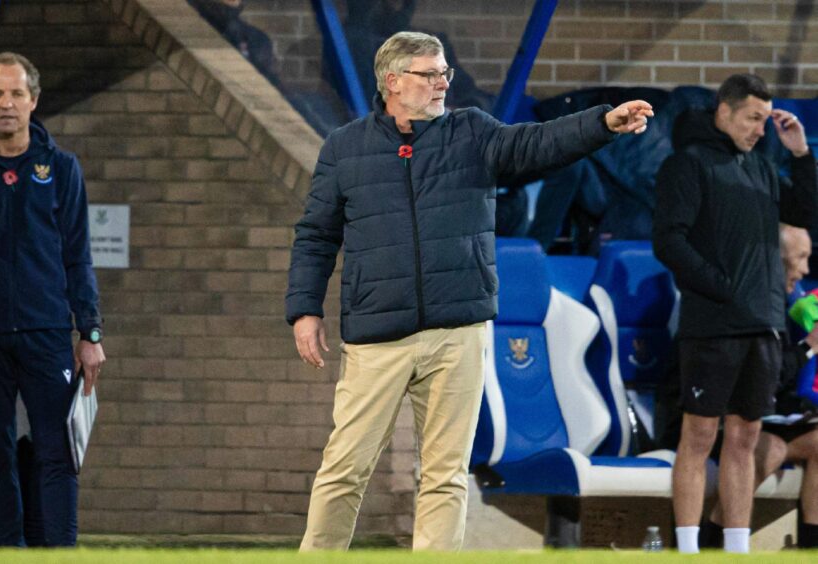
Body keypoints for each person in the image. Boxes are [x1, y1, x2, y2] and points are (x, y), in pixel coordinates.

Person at [286, 31, 653, 551]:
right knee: (345, 468)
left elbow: (537, 143)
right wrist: (304, 309)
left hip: (458, 331)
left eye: (444, 73)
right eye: (429, 74)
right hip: (378, 336)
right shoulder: (345, 148)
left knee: (444, 475)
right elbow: (316, 235)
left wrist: (602, 123)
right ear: (392, 81)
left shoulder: (471, 132)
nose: (441, 83)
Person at [652, 73, 817, 554]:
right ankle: (686, 546)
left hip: (764, 324)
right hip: (714, 323)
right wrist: (720, 288)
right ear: (723, 112)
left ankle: (736, 548)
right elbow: (669, 240)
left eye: (765, 120)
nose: (759, 129)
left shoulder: (763, 170)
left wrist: (801, 155)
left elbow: (806, 211)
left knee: (745, 437)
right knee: (699, 433)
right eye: (752, 118)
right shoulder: (688, 164)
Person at [0, 52, 105, 547]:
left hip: (46, 335)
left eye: (16, 93)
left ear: (33, 100)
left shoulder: (60, 168)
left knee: (56, 455)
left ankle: (60, 555)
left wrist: (91, 333)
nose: (6, 104)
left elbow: (78, 256)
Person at [655, 225, 818, 549]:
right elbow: (762, 376)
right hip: (697, 423)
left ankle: (811, 549)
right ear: (775, 260)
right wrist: (808, 347)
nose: (806, 270)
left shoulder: (787, 304)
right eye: (800, 258)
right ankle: (715, 545)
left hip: (756, 420)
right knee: (766, 446)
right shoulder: (740, 307)